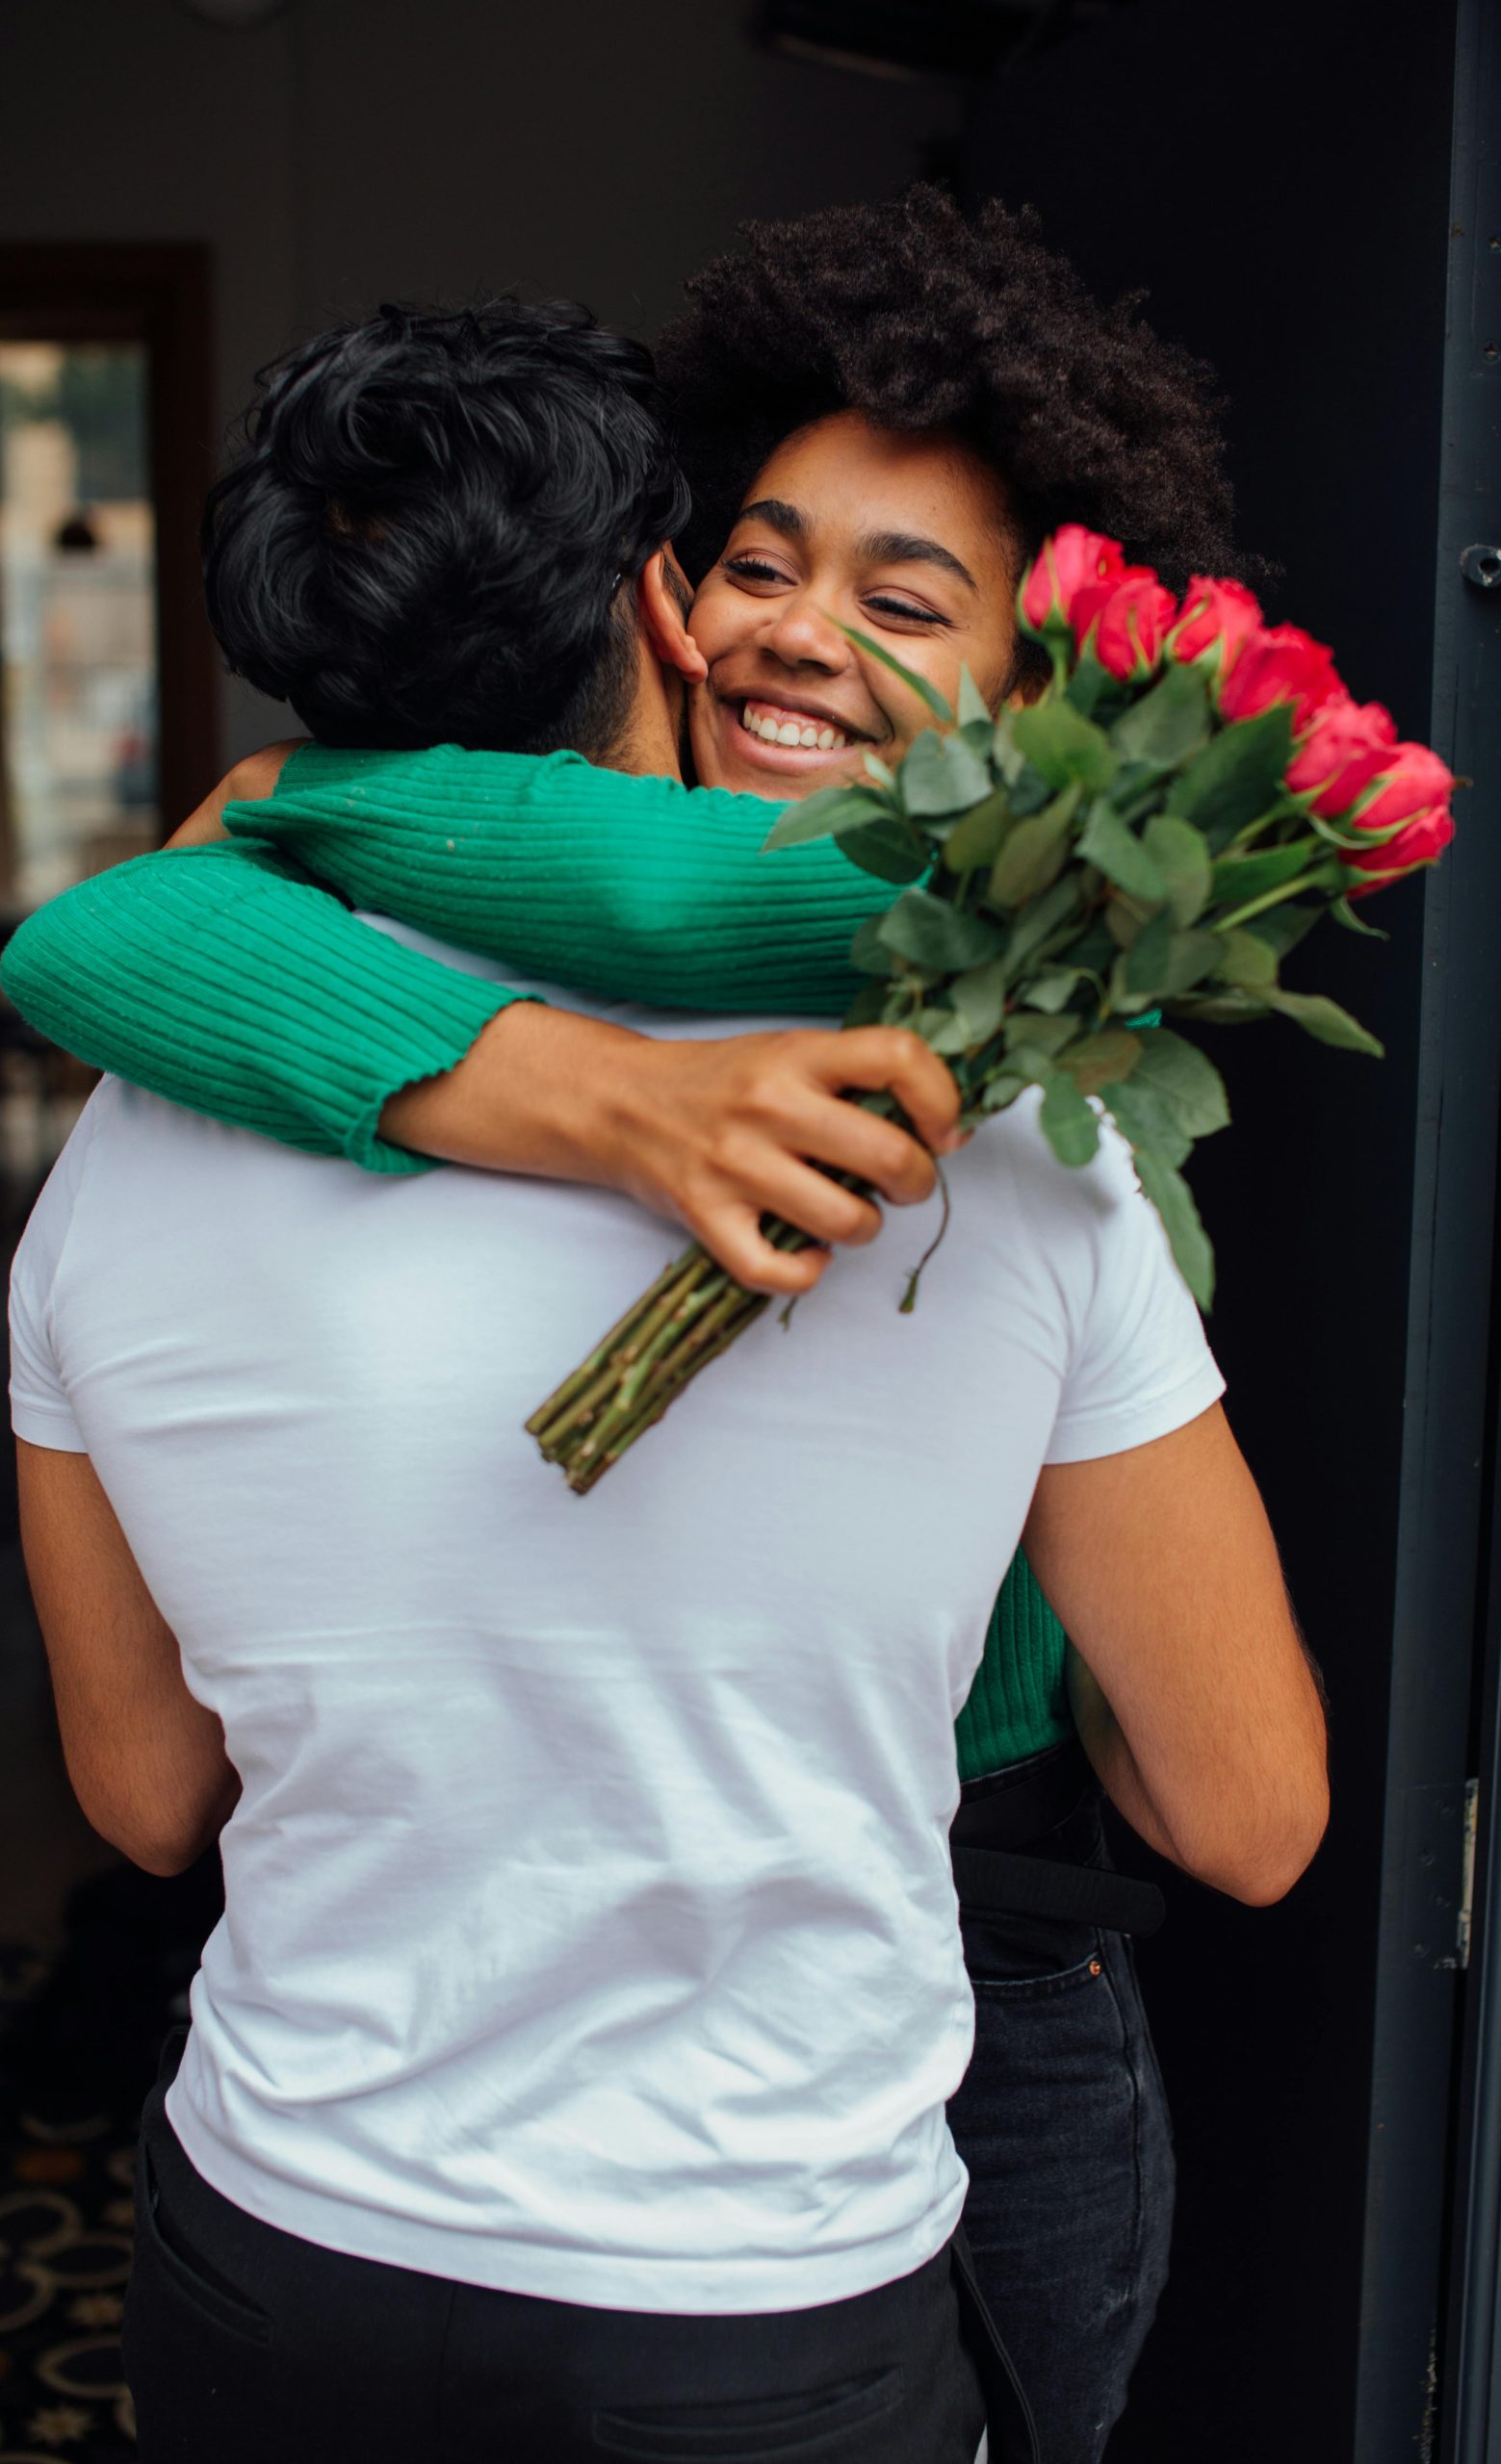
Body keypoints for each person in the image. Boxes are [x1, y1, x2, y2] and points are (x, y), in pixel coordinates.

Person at [5, 198, 1326, 2462]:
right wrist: (614, 1100)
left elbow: (1212, 1788)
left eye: (904, 603)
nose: (792, 638)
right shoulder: (304, 939)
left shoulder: (1034, 1076)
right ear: (657, 592)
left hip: (936, 1993)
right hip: (625, 2185)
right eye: (757, 559)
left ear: (1041, 708)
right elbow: (111, 931)